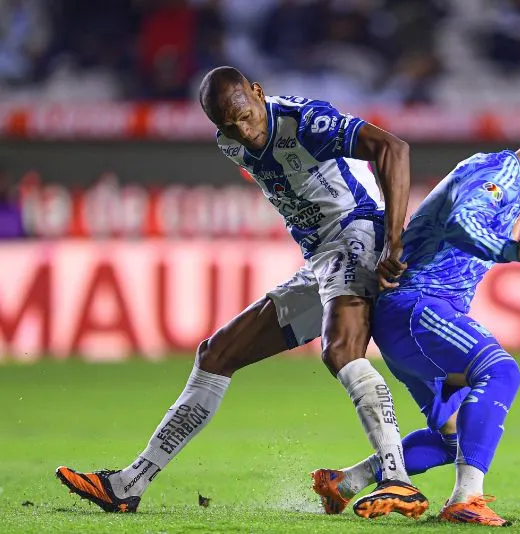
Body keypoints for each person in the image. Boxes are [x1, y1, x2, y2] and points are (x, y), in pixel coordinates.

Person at [55, 66, 428, 519]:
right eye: (228, 125)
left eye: (246, 116)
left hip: (358, 233)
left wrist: (393, 239)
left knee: (341, 349)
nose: (243, 131)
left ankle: (398, 480)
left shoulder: (306, 122)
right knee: (216, 354)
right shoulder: (229, 140)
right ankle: (128, 484)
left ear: (258, 92)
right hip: (321, 259)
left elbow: (393, 147)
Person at [312, 105, 520, 526]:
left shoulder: (510, 188)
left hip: (412, 317)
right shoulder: (501, 173)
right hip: (417, 305)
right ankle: (467, 498)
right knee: (502, 373)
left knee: (454, 438)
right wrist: (511, 250)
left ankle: (347, 481)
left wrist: (512, 246)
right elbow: (461, 221)